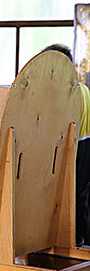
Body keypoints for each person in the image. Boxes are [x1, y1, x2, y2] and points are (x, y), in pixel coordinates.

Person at [41, 44, 90, 246]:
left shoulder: (66, 92)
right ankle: (79, 241)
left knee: (65, 201)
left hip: (71, 150)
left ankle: (66, 244)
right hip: (86, 148)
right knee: (80, 199)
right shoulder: (84, 89)